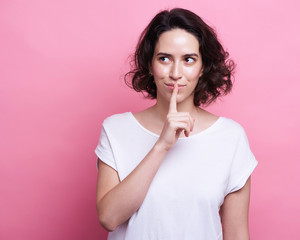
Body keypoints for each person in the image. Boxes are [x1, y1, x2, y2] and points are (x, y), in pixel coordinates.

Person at [95, 8, 258, 240]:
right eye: (164, 58)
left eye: (188, 60)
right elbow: (109, 218)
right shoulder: (116, 129)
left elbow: (237, 233)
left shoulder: (230, 137)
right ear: (150, 65)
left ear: (202, 68)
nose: (175, 73)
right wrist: (161, 146)